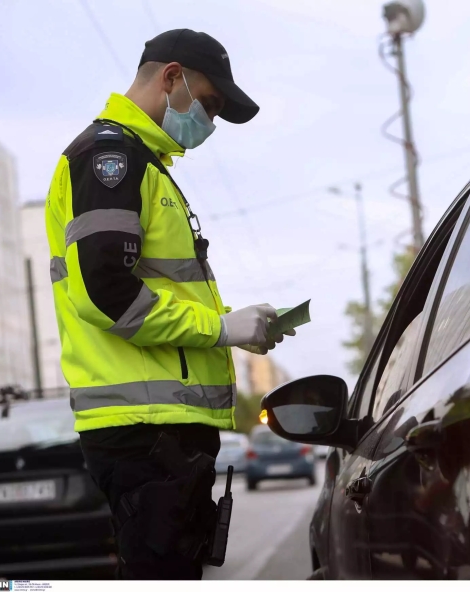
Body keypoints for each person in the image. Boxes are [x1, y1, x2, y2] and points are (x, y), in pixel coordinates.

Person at [44, 29, 294, 579]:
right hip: (144, 432)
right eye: (207, 103)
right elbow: (105, 292)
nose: (208, 121)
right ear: (171, 77)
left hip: (158, 431)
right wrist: (221, 329)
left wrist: (233, 329)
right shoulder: (110, 159)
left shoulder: (143, 163)